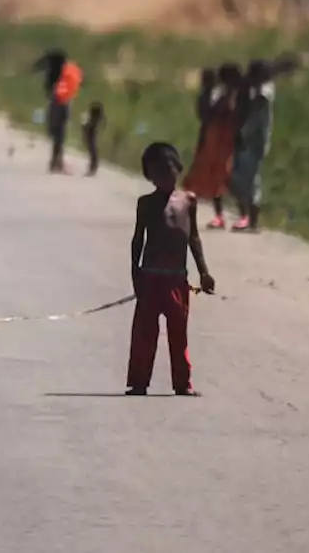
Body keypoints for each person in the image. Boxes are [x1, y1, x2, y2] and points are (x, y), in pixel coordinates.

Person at [127, 142, 216, 397]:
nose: (164, 177)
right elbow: (138, 240)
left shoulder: (188, 201)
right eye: (157, 173)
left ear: (178, 169)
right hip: (150, 277)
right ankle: (139, 382)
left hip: (177, 279)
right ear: (149, 175)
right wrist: (135, 272)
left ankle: (182, 383)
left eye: (168, 171)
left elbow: (194, 238)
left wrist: (204, 272)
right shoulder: (145, 204)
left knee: (179, 334)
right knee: (145, 333)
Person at [184, 63, 243, 229]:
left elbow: (220, 114)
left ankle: (243, 214)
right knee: (213, 179)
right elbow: (204, 115)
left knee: (228, 178)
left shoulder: (234, 96)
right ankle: (220, 215)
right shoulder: (216, 95)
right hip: (214, 140)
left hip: (226, 142)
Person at [229, 60, 275, 232]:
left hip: (255, 142)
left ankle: (252, 220)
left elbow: (255, 121)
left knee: (250, 180)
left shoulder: (262, 95)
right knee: (242, 178)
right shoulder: (259, 91)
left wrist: (242, 134)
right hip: (250, 141)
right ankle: (248, 217)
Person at [34, 49, 84, 174]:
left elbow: (50, 86)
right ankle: (56, 162)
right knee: (59, 133)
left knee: (56, 132)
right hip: (64, 102)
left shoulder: (55, 72)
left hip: (57, 102)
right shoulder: (68, 71)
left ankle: (55, 162)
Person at [82, 102, 104, 176]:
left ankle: (92, 168)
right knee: (92, 150)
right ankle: (93, 168)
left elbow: (85, 128)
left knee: (92, 150)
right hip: (91, 134)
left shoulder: (92, 122)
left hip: (91, 134)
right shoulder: (93, 122)